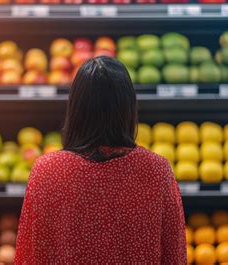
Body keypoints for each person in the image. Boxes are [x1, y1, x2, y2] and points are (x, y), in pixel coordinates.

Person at [15, 56, 186, 264]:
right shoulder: (156, 170)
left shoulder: (46, 170)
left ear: (76, 108)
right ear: (129, 108)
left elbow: (29, 255)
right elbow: (174, 255)